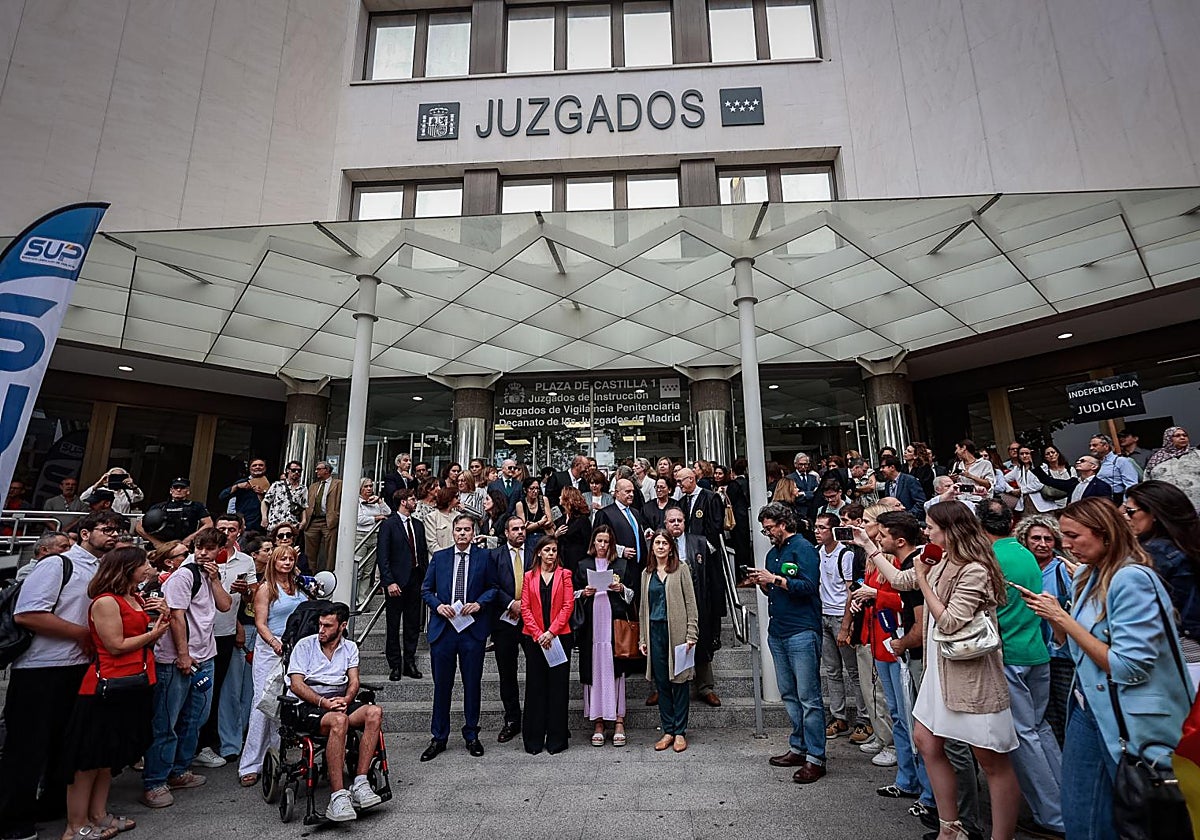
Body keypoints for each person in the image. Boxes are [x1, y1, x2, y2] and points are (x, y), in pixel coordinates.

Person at [1020, 498, 1194, 840]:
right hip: (1090, 711)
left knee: (1131, 819)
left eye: (1073, 535)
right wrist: (1055, 617)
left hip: (1132, 720)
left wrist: (1062, 620)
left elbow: (1127, 667)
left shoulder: (1132, 579)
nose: (1065, 544)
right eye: (1063, 535)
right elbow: (1074, 649)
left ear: (1106, 534)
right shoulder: (1087, 573)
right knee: (1081, 818)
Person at [863, 502, 1021, 840]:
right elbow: (901, 580)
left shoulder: (975, 568)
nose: (926, 532)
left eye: (932, 527)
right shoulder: (940, 558)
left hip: (971, 673)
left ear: (950, 530)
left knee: (991, 760)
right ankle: (950, 828)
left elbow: (949, 620)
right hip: (940, 669)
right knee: (926, 741)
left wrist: (922, 577)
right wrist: (870, 547)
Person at [0, 511, 119, 840]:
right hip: (41, 669)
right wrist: (83, 635)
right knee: (26, 748)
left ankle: (51, 808)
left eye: (116, 530)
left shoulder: (101, 568)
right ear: (84, 533)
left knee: (65, 743)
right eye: (105, 529)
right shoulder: (57, 564)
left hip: (79, 669)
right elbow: (29, 613)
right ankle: (13, 821)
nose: (112, 535)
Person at [61, 546, 170, 840]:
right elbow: (115, 645)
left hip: (133, 682)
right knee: (88, 759)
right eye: (143, 563)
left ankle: (98, 814)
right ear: (126, 568)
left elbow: (138, 634)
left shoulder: (133, 597)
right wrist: (154, 634)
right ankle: (75, 825)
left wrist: (160, 616)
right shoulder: (106, 601)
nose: (148, 566)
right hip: (105, 685)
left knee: (107, 757)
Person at [975, 498, 1064, 838]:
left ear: (980, 526)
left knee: (1024, 735)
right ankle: (1063, 801)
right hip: (1035, 651)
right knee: (1039, 730)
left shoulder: (989, 558)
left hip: (1009, 654)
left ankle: (1052, 815)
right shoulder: (1026, 553)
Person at [141, 527, 233, 809]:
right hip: (177, 659)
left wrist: (216, 580)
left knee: (196, 717)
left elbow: (225, 606)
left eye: (210, 548)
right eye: (199, 547)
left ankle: (179, 770)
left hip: (205, 656)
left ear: (220, 550)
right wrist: (183, 654)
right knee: (167, 721)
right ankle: (155, 781)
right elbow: (177, 617)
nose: (204, 553)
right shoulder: (184, 575)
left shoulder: (208, 575)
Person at [747, 502, 826, 782]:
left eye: (770, 528)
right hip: (778, 630)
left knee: (809, 697)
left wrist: (776, 580)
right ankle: (798, 746)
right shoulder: (772, 554)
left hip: (802, 629)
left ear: (783, 524)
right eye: (764, 528)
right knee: (790, 694)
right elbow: (775, 587)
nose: (767, 532)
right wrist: (763, 582)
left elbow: (808, 586)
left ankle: (816, 756)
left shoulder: (803, 548)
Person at [848, 513, 924, 800]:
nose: (875, 536)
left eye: (879, 531)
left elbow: (905, 596)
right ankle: (907, 778)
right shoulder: (877, 560)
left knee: (911, 717)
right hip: (883, 644)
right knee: (898, 715)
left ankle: (925, 789)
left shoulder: (910, 563)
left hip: (901, 647)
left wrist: (875, 595)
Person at [285, 602, 384, 822]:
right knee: (339, 721)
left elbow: (354, 681)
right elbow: (296, 684)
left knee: (374, 712)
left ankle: (360, 783)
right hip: (309, 704)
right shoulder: (304, 646)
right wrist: (324, 702)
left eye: (328, 626)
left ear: (342, 626)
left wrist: (347, 699)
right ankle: (338, 797)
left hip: (339, 701)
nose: (321, 630)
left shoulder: (349, 648)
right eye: (320, 625)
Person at [420, 514, 497, 761]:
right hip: (444, 629)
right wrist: (437, 605)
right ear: (452, 533)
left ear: (473, 533)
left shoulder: (484, 557)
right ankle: (439, 737)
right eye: (458, 530)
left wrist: (479, 604)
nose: (462, 533)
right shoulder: (440, 558)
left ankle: (472, 734)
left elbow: (493, 587)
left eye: (467, 530)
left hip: (471, 630)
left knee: (472, 684)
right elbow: (426, 589)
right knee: (442, 686)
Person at [237, 545, 307, 787]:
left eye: (290, 559)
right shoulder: (266, 588)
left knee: (283, 703)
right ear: (273, 562)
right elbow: (260, 622)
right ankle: (250, 764)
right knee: (261, 702)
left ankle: (276, 757)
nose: (286, 563)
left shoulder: (299, 587)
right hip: (270, 648)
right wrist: (274, 643)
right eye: (282, 559)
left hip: (294, 647)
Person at [1123, 480, 1200, 688]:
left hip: (1175, 653)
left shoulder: (1155, 553)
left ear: (1154, 514)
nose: (1126, 518)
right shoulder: (1186, 543)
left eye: (1131, 512)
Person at [195, 514, 256, 769]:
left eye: (232, 529)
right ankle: (195, 744)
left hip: (225, 632)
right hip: (198, 634)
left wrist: (246, 591)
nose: (228, 533)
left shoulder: (246, 560)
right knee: (198, 691)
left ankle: (208, 743)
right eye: (223, 529)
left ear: (240, 531)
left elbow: (252, 596)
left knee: (216, 690)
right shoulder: (196, 560)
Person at [1013, 514, 1076, 745]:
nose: (1042, 544)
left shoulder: (1062, 570)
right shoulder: (1021, 569)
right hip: (1031, 653)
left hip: (1060, 656)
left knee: (1065, 714)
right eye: (1036, 538)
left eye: (1048, 539)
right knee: (1044, 719)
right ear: (1025, 540)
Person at [574, 525, 636, 747]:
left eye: (606, 542)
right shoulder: (583, 565)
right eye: (599, 541)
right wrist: (584, 593)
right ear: (593, 543)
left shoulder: (621, 564)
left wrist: (620, 589)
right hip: (591, 628)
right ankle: (598, 722)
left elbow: (632, 594)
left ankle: (619, 720)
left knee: (615, 670)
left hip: (614, 625)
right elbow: (571, 594)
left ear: (612, 544)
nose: (602, 546)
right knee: (594, 670)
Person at [639, 529, 699, 753]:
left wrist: (692, 633)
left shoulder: (681, 569)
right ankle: (668, 730)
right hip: (655, 631)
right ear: (652, 547)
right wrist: (642, 638)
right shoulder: (647, 573)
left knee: (680, 681)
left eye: (665, 543)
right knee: (662, 682)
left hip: (677, 631)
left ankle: (680, 732)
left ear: (671, 547)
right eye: (657, 543)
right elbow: (643, 608)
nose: (661, 547)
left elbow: (691, 603)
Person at [812, 512, 869, 742]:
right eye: (816, 527)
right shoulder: (817, 553)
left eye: (822, 528)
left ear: (833, 531)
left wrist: (846, 624)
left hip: (838, 615)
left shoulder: (844, 554)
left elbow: (849, 589)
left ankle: (864, 719)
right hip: (823, 614)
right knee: (832, 671)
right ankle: (839, 716)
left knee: (853, 670)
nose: (817, 531)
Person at [518, 538, 574, 755]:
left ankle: (556, 740)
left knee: (558, 688)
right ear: (539, 552)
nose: (551, 554)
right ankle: (533, 740)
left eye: (554, 550)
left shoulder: (565, 574)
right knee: (535, 687)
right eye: (547, 550)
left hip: (559, 637)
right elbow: (525, 608)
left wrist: (551, 632)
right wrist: (539, 634)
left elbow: (568, 606)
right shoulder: (528, 576)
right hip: (534, 639)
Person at [664, 507, 723, 707]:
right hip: (668, 602)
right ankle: (661, 687)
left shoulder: (698, 542)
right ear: (665, 524)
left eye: (679, 520)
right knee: (666, 644)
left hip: (697, 600)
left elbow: (712, 573)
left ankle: (705, 687)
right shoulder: (658, 543)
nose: (676, 523)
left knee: (701, 642)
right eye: (672, 520)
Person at [489, 516, 536, 744]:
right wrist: (511, 603)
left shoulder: (535, 553)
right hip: (504, 621)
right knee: (507, 672)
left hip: (531, 621)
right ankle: (512, 720)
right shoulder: (495, 555)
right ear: (506, 532)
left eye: (522, 528)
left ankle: (534, 717)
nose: (520, 532)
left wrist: (524, 605)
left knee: (536, 669)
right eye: (515, 529)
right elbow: (491, 585)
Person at [378, 488, 429, 681]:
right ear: (403, 502)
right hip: (396, 582)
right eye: (412, 499)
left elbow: (422, 552)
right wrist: (388, 581)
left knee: (412, 624)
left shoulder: (418, 525)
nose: (415, 502)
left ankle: (409, 661)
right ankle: (395, 664)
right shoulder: (389, 525)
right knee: (393, 625)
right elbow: (383, 556)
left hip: (416, 579)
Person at [593, 478, 651, 586]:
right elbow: (597, 542)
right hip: (618, 569)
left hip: (638, 569)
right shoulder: (605, 514)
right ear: (617, 493)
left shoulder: (635, 513)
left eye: (633, 491)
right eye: (627, 491)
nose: (631, 494)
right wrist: (620, 550)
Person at [137, 478, 212, 548]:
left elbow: (209, 524)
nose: (179, 490)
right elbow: (139, 527)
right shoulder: (158, 506)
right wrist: (156, 542)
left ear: (188, 491)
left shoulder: (196, 506)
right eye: (176, 487)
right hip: (159, 546)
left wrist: (189, 539)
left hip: (185, 546)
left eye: (182, 488)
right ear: (171, 490)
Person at [354, 478, 390, 603]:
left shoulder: (374, 501)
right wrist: (377, 518)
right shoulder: (356, 501)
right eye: (366, 487)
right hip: (361, 535)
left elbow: (388, 512)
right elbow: (360, 519)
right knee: (358, 569)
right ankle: (353, 597)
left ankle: (362, 599)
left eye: (370, 486)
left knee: (368, 571)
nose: (369, 489)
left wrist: (380, 501)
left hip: (375, 535)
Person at [303, 461, 342, 573]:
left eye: (319, 469)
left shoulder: (338, 484)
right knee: (310, 551)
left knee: (330, 550)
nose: (316, 471)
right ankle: (311, 573)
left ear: (327, 470)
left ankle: (329, 574)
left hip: (329, 520)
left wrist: (337, 515)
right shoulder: (313, 486)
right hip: (313, 520)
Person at [1000, 446, 1056, 515]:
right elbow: (1002, 479)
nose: (1024, 456)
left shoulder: (1042, 466)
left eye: (1027, 453)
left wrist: (1021, 490)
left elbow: (1039, 484)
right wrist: (1011, 490)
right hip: (1025, 505)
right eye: (1022, 454)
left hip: (1043, 505)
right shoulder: (1017, 469)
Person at [218, 458, 269, 533]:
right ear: (249, 469)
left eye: (261, 465)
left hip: (262, 525)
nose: (258, 467)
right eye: (254, 465)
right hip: (244, 524)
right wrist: (237, 487)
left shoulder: (272, 484)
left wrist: (264, 493)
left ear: (265, 468)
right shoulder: (242, 482)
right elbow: (222, 496)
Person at [1088, 434, 1139, 503]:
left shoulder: (1120, 461)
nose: (1091, 448)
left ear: (1106, 446)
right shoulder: (1094, 464)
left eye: (1095, 445)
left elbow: (1131, 485)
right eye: (1090, 446)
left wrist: (1125, 504)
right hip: (1100, 502)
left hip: (1116, 500)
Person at [553, 486, 592, 574]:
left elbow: (587, 542)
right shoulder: (561, 519)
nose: (559, 497)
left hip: (577, 563)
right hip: (562, 561)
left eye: (561, 495)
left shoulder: (582, 520)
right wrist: (556, 535)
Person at [262, 460, 308, 530]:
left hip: (292, 525)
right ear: (287, 470)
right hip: (275, 524)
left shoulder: (303, 489)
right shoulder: (277, 485)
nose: (296, 472)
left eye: (299, 471)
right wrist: (264, 517)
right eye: (293, 470)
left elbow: (303, 507)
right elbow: (265, 502)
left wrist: (303, 521)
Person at [422, 486, 459, 557]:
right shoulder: (432, 517)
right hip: (439, 559)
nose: (458, 500)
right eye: (456, 497)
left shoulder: (458, 516)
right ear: (449, 499)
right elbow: (432, 544)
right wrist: (446, 556)